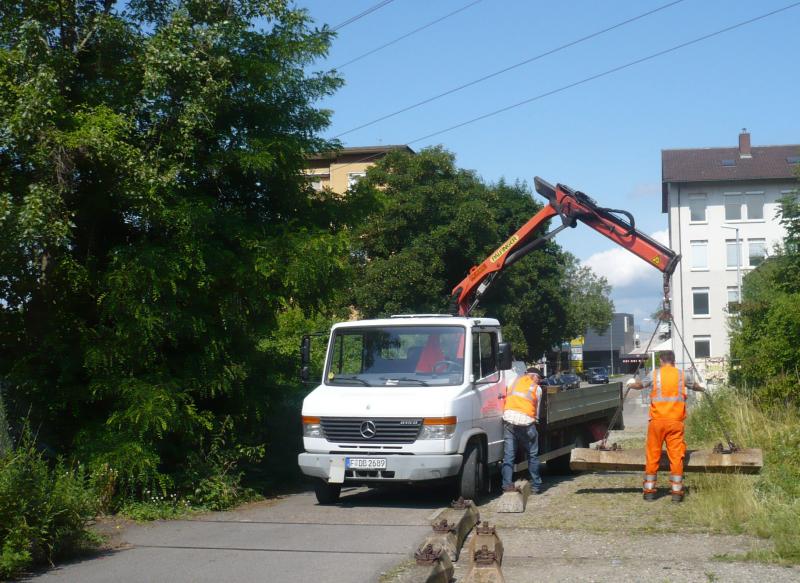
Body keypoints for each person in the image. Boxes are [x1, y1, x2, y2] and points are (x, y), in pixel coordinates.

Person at [626, 350, 704, 502]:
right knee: (676, 456)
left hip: (657, 422)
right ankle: (676, 492)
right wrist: (702, 387)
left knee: (653, 454)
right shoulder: (682, 375)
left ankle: (649, 490)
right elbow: (694, 386)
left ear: (661, 360)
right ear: (673, 361)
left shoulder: (655, 374)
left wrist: (631, 384)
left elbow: (640, 385)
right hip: (675, 422)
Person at [501, 366, 544, 494]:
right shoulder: (537, 389)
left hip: (509, 423)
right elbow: (536, 412)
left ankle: (506, 486)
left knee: (508, 457)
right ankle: (536, 486)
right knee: (533, 455)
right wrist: (535, 421)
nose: (539, 381)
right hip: (526, 425)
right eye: (539, 378)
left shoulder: (512, 382)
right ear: (534, 376)